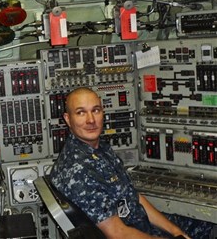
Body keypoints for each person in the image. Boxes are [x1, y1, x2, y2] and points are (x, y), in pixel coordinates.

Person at [49, 87, 214, 239]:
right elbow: (118, 233)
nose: (91, 120)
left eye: (96, 110)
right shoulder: (78, 169)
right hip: (133, 233)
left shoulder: (100, 149)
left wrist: (176, 231)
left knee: (206, 221)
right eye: (81, 113)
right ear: (68, 119)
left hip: (140, 225)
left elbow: (133, 197)